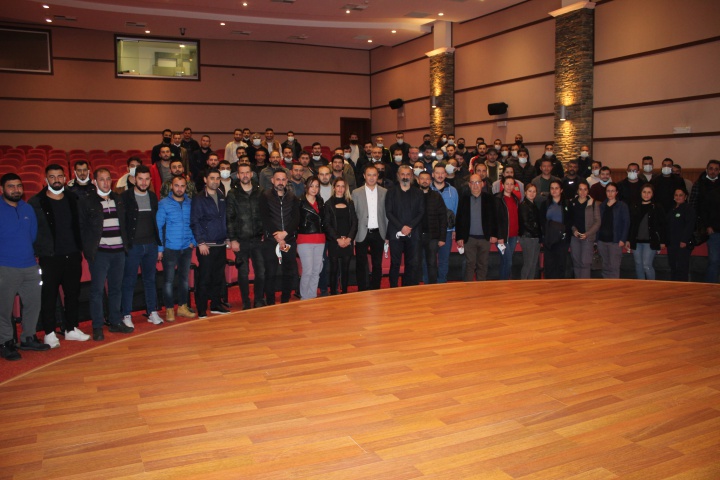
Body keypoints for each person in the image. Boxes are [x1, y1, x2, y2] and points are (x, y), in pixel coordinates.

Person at [29, 164, 89, 348]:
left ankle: (71, 328)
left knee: (72, 294)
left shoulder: (73, 198)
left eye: (59, 176)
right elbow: (32, 230)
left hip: (73, 254)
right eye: (52, 177)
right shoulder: (36, 202)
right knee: (49, 295)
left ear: (65, 178)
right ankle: (49, 332)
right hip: (50, 257)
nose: (56, 180)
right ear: (45, 179)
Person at [78, 168, 134, 341]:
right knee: (97, 291)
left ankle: (115, 321)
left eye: (108, 179)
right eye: (101, 179)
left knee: (116, 289)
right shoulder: (87, 201)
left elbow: (125, 224)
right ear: (95, 181)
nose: (105, 182)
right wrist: (89, 250)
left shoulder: (118, 199)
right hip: (100, 254)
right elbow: (82, 228)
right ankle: (97, 326)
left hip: (119, 252)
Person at [0, 173, 50, 360]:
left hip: (29, 266)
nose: (16, 190)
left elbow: (33, 235)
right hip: (5, 266)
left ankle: (28, 337)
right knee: (3, 309)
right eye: (11, 186)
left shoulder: (27, 208)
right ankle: (5, 342)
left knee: (33, 304)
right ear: (2, 189)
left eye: (19, 186)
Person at [120, 165, 163, 327]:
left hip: (151, 245)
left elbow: (156, 222)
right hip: (133, 246)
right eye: (140, 179)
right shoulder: (125, 197)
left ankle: (152, 311)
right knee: (129, 280)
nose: (143, 182)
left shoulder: (152, 196)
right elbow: (122, 223)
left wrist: (158, 246)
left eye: (146, 179)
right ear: (134, 179)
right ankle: (126, 314)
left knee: (150, 280)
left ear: (150, 180)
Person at [190, 168, 231, 317]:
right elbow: (195, 221)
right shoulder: (199, 198)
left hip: (220, 243)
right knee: (205, 278)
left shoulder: (221, 195)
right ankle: (201, 308)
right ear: (205, 180)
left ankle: (215, 305)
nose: (215, 181)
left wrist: (227, 237)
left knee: (218, 277)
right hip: (206, 245)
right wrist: (200, 242)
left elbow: (225, 218)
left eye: (217, 178)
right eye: (212, 178)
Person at [156, 175, 197, 322]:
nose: (179, 189)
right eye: (176, 185)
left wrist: (193, 241)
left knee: (184, 279)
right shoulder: (163, 204)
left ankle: (182, 307)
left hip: (186, 247)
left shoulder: (190, 203)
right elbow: (158, 227)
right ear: (171, 186)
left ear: (186, 187)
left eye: (182, 186)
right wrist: (160, 248)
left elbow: (194, 223)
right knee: (168, 280)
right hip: (170, 248)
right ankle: (169, 309)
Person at [227, 163, 266, 310]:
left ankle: (259, 300)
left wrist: (265, 233)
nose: (245, 175)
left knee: (261, 272)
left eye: (247, 172)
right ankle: (246, 302)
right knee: (243, 274)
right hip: (241, 240)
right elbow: (229, 218)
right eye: (242, 173)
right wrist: (233, 239)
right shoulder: (232, 194)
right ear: (238, 175)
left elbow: (265, 215)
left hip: (258, 239)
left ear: (251, 174)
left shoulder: (260, 192)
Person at [259, 169, 300, 304]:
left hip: (289, 240)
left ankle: (285, 299)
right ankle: (270, 302)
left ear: (287, 181)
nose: (280, 182)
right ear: (272, 180)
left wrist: (285, 233)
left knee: (289, 272)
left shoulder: (293, 197)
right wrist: (277, 236)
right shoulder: (265, 196)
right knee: (270, 272)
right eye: (278, 179)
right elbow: (265, 218)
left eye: (283, 179)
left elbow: (296, 218)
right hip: (271, 241)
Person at [385, 165, 424, 287]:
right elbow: (388, 212)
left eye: (408, 174)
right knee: (395, 263)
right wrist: (401, 227)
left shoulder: (418, 192)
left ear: (412, 176)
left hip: (414, 233)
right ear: (398, 176)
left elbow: (421, 212)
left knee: (412, 263)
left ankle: (409, 289)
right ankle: (393, 288)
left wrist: (409, 227)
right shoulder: (391, 192)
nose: (405, 177)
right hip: (395, 233)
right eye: (403, 174)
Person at [455, 174, 498, 281]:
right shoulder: (464, 199)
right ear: (469, 184)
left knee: (483, 264)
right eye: (473, 182)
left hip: (485, 238)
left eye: (478, 182)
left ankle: (481, 286)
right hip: (469, 238)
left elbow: (494, 217)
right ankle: (468, 287)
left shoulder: (489, 198)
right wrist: (459, 237)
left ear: (482, 184)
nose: (475, 185)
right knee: (470, 264)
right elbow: (459, 218)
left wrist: (494, 234)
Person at [351, 165, 388, 291]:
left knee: (377, 263)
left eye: (374, 175)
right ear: (364, 176)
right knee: (361, 263)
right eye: (369, 175)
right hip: (361, 232)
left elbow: (386, 214)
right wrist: (353, 235)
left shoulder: (384, 192)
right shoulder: (356, 192)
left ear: (378, 176)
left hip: (379, 232)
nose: (371, 178)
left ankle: (376, 288)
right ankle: (362, 288)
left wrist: (387, 234)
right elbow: (353, 215)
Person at [324, 177, 357, 294]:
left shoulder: (350, 203)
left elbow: (354, 222)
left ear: (346, 188)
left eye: (343, 186)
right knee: (333, 269)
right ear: (334, 188)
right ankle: (333, 293)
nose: (340, 189)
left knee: (345, 269)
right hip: (334, 241)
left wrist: (349, 238)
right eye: (338, 186)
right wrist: (338, 239)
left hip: (347, 240)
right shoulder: (328, 204)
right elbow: (327, 224)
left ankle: (345, 293)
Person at [627, 184, 665, 280]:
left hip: (650, 241)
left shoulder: (657, 207)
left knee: (646, 265)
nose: (646, 194)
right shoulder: (635, 206)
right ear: (640, 193)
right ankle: (641, 285)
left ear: (652, 194)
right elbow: (630, 224)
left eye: (649, 192)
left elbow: (663, 225)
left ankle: (651, 285)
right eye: (644, 192)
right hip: (636, 241)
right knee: (638, 264)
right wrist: (628, 239)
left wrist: (663, 241)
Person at [690, 160, 720, 283]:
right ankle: (710, 286)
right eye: (711, 168)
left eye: (716, 169)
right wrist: (706, 225)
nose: (713, 171)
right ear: (707, 169)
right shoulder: (699, 184)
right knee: (714, 260)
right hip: (710, 228)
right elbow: (694, 206)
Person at [296, 176, 325, 300]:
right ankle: (304, 297)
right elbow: (295, 221)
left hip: (320, 239)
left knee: (316, 270)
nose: (314, 189)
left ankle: (312, 296)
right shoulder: (299, 202)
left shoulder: (321, 201)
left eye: (317, 186)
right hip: (304, 239)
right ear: (306, 187)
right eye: (312, 186)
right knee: (307, 270)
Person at [417, 171, 447, 284]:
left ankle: (432, 286)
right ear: (418, 180)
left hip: (432, 236)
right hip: (416, 235)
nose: (424, 181)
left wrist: (442, 237)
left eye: (427, 179)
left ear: (430, 181)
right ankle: (418, 286)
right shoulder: (413, 195)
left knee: (432, 263)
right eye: (422, 178)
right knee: (416, 262)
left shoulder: (436, 196)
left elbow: (443, 217)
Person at [431, 163, 458, 283]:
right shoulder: (427, 190)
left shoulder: (453, 191)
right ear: (433, 174)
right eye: (437, 173)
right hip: (431, 232)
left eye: (442, 173)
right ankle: (430, 284)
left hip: (447, 231)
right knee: (430, 260)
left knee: (444, 260)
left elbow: (456, 210)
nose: (440, 175)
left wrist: (454, 229)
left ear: (446, 174)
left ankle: (441, 283)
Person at [568, 180, 601, 279]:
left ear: (588, 191)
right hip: (575, 237)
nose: (582, 192)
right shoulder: (572, 202)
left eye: (585, 189)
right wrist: (574, 230)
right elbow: (569, 220)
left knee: (585, 263)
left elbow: (597, 222)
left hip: (588, 237)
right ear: (577, 191)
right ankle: (578, 284)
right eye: (580, 189)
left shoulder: (593, 203)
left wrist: (587, 233)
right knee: (576, 262)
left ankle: (585, 285)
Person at [597, 183, 630, 279]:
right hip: (602, 241)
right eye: (608, 191)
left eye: (612, 191)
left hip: (615, 241)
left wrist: (623, 239)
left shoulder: (622, 206)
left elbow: (626, 223)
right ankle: (606, 285)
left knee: (614, 267)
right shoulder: (601, 206)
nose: (610, 193)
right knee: (604, 266)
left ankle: (614, 286)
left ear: (616, 192)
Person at [542, 180, 571, 279]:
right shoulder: (545, 204)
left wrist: (563, 231)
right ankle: (549, 285)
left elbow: (570, 220)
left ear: (561, 190)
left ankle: (560, 286)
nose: (554, 191)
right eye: (552, 188)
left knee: (561, 264)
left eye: (556, 188)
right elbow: (542, 221)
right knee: (549, 265)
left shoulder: (567, 204)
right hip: (549, 239)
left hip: (562, 239)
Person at [665, 188, 696, 281]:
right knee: (673, 265)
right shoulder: (672, 209)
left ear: (685, 197)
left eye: (681, 195)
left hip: (682, 243)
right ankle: (674, 285)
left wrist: (684, 240)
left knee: (682, 267)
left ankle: (682, 286)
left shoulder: (688, 209)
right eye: (676, 195)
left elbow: (690, 226)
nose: (678, 197)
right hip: (672, 243)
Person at [495, 176, 520, 280]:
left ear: (514, 186)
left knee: (505, 261)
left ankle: (502, 282)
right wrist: (499, 236)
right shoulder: (498, 199)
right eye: (507, 184)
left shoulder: (515, 199)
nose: (509, 186)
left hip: (513, 235)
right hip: (503, 236)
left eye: (511, 184)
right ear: (502, 185)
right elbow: (495, 219)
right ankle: (505, 283)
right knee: (508, 261)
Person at [518, 183, 542, 280]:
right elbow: (525, 223)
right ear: (525, 192)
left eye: (534, 191)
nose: (532, 193)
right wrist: (537, 233)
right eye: (529, 191)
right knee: (528, 263)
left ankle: (530, 282)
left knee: (533, 263)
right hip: (528, 237)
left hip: (535, 237)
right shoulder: (524, 205)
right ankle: (523, 283)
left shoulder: (534, 205)